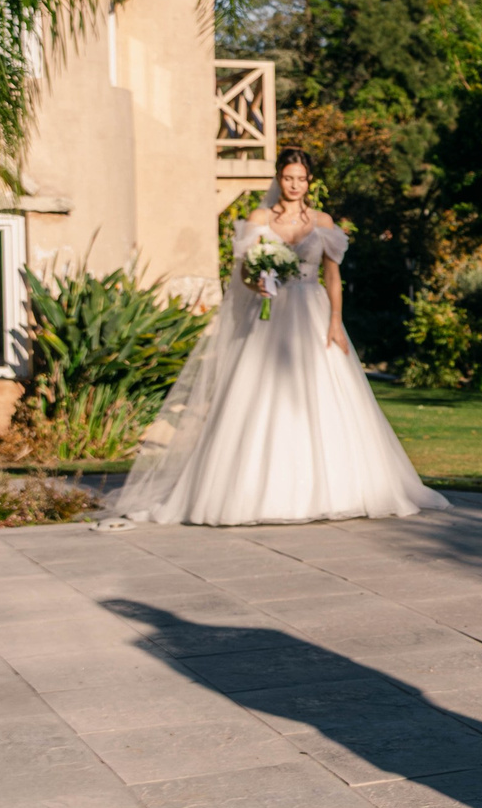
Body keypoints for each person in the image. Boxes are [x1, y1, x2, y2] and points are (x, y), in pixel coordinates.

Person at [108, 148, 447, 526]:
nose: (295, 185)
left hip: (312, 314)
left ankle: (336, 489)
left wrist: (335, 322)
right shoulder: (259, 219)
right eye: (289, 178)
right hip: (269, 318)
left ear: (309, 182)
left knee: (324, 396)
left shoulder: (322, 222)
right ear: (278, 178)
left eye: (301, 179)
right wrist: (260, 282)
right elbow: (243, 276)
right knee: (258, 395)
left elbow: (332, 276)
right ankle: (251, 493)